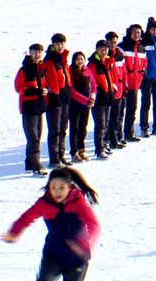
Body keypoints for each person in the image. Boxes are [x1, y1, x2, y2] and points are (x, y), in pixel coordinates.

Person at [0, 167, 100, 281]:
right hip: (53, 256)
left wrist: (84, 244)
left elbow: (94, 225)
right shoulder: (44, 203)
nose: (57, 191)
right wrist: (14, 232)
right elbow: (26, 217)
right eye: (53, 187)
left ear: (69, 187)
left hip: (77, 259)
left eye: (61, 187)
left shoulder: (78, 202)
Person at [14, 43, 58, 176]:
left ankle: (29, 162)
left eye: (40, 52)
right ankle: (36, 165)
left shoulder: (42, 68)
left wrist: (47, 90)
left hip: (39, 107)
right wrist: (36, 91)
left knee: (36, 136)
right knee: (33, 138)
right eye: (35, 52)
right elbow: (19, 88)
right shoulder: (24, 69)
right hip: (28, 108)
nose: (37, 54)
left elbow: (47, 83)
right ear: (30, 52)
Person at [43, 33, 72, 168]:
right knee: (54, 130)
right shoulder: (49, 60)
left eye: (62, 43)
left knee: (63, 128)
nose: (60, 46)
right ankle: (54, 159)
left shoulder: (63, 58)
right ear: (53, 45)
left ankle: (61, 155)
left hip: (65, 97)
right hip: (54, 99)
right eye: (58, 43)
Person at [87, 40, 116, 160]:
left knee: (106, 123)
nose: (104, 51)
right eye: (102, 49)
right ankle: (99, 149)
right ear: (97, 50)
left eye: (106, 49)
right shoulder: (93, 64)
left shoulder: (108, 62)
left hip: (107, 97)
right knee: (100, 124)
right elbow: (92, 82)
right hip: (98, 99)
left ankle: (103, 145)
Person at [118, 24, 146, 143]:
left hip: (135, 84)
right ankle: (117, 136)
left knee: (132, 109)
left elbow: (144, 64)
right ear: (130, 33)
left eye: (139, 32)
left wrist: (141, 77)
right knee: (120, 111)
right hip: (124, 85)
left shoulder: (141, 48)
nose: (137, 34)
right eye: (134, 32)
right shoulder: (122, 47)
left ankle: (129, 133)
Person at [68, 51, 96, 162]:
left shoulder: (87, 71)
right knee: (74, 128)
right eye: (78, 59)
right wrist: (85, 100)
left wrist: (93, 97)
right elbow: (72, 90)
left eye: (82, 59)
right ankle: (74, 152)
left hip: (87, 104)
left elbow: (94, 85)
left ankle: (81, 149)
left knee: (83, 128)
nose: (80, 61)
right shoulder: (71, 72)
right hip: (75, 104)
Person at [104, 31, 127, 150]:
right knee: (108, 119)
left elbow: (124, 71)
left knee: (117, 117)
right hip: (109, 92)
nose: (113, 44)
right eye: (110, 42)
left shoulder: (120, 54)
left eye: (114, 42)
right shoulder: (104, 54)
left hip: (119, 90)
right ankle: (106, 140)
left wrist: (125, 86)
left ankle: (115, 139)